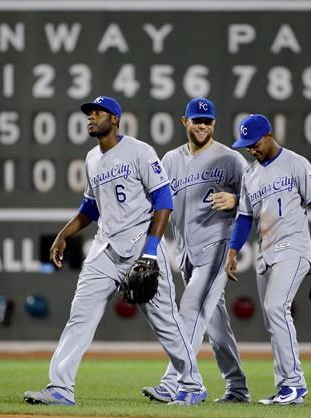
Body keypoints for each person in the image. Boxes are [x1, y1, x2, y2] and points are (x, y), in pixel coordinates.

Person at [23, 96, 207, 406]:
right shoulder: (92, 159)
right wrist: (63, 234)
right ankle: (60, 389)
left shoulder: (139, 151)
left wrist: (150, 252)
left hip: (141, 246)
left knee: (166, 321)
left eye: (98, 113)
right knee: (80, 316)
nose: (91, 118)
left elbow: (164, 200)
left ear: (115, 119)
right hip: (104, 248)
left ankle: (192, 384)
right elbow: (91, 206)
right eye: (89, 114)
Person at [142, 98, 250, 404]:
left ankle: (176, 381)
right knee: (215, 325)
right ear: (184, 122)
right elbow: (157, 202)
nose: (202, 125)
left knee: (189, 309)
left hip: (216, 247)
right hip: (186, 253)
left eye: (208, 121)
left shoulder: (230, 160)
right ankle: (238, 388)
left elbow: (260, 200)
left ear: (214, 124)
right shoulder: (170, 160)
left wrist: (237, 201)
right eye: (196, 120)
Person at [225, 114, 311, 405]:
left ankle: (295, 384)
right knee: (272, 319)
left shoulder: (296, 163)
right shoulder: (250, 174)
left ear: (269, 135)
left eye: (255, 142)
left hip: (294, 247)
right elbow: (245, 218)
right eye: (246, 145)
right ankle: (286, 387)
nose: (251, 149)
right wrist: (233, 251)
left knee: (276, 307)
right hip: (266, 253)